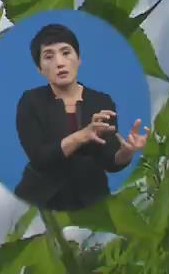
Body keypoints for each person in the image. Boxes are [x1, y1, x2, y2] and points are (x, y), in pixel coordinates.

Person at [13, 23, 150, 211]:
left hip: (92, 198)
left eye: (66, 52)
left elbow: (109, 159)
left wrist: (126, 152)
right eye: (48, 56)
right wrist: (82, 136)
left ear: (79, 59)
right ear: (40, 68)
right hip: (42, 201)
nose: (59, 62)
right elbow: (39, 157)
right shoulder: (31, 101)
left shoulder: (101, 101)